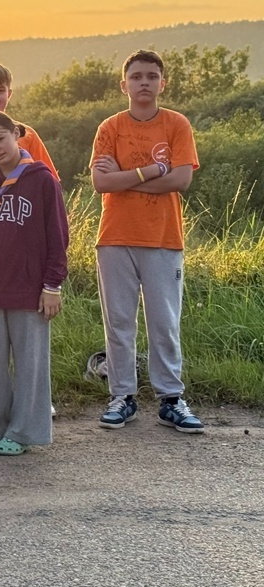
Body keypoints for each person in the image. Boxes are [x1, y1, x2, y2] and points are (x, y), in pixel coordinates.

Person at [90, 50, 203, 434]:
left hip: (162, 237)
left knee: (164, 322)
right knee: (119, 322)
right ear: (124, 84)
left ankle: (171, 399)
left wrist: (125, 176)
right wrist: (152, 171)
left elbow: (181, 180)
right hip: (115, 237)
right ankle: (122, 396)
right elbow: (101, 183)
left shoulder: (176, 124)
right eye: (136, 76)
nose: (144, 83)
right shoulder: (110, 127)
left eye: (151, 76)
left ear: (162, 83)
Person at [0, 112, 69, 455]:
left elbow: (58, 237)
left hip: (30, 289)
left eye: (0, 139)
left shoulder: (42, 180)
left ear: (16, 135)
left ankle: (22, 433)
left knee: (30, 365)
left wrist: (53, 286)